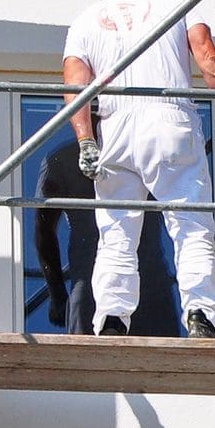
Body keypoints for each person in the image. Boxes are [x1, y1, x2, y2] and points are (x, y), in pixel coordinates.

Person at [61, 0, 215, 338]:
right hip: (169, 121)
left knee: (116, 232)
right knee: (191, 225)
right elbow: (209, 59)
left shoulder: (84, 22)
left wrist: (85, 140)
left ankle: (112, 321)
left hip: (114, 128)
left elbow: (76, 87)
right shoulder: (174, 2)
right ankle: (200, 315)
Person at [33, 136, 181, 337]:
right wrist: (57, 293)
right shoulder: (64, 159)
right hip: (91, 285)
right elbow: (44, 231)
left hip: (151, 284)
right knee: (90, 361)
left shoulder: (147, 152)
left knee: (164, 362)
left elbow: (44, 231)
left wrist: (57, 294)